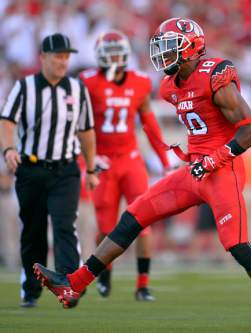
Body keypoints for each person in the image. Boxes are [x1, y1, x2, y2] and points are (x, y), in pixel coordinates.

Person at [34, 18, 251, 331]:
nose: (162, 54)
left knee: (237, 244)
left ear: (190, 48)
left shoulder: (214, 75)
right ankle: (75, 284)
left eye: (169, 46)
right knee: (133, 216)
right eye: (160, 46)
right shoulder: (168, 87)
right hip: (195, 171)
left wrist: (213, 159)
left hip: (222, 169)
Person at [0, 33, 98, 308]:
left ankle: (70, 284)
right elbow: (6, 122)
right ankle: (31, 288)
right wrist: (8, 150)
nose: (63, 62)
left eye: (67, 57)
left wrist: (91, 168)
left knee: (65, 225)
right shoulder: (24, 87)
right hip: (31, 169)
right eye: (58, 56)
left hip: (65, 169)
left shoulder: (77, 90)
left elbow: (87, 131)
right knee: (33, 231)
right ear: (43, 57)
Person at [80, 30, 171, 301]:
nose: (116, 60)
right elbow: (80, 126)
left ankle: (143, 284)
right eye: (110, 55)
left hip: (130, 160)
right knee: (106, 227)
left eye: (119, 54)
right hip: (104, 162)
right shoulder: (88, 82)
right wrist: (87, 159)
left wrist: (164, 158)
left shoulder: (140, 82)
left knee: (144, 222)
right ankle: (104, 274)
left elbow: (149, 123)